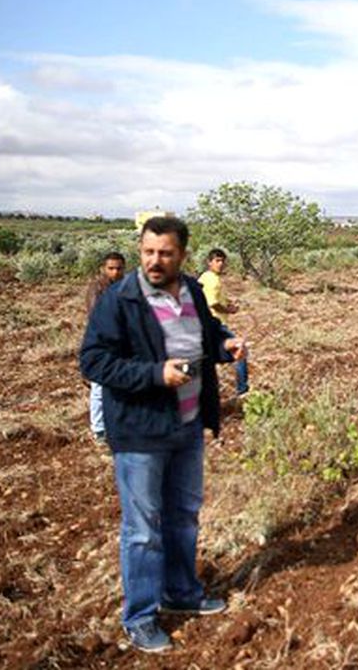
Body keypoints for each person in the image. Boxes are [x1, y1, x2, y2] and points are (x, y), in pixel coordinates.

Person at [79, 216, 245, 653]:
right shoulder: (120, 299)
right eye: (148, 252)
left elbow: (207, 335)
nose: (155, 261)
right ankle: (140, 616)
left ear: (182, 255)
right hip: (140, 432)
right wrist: (156, 374)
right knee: (142, 529)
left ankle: (181, 593)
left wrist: (225, 345)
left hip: (186, 425)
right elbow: (93, 361)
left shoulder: (191, 289)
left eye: (165, 253)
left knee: (183, 515)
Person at [84, 252, 126, 445]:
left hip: (122, 341)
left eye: (119, 268)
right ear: (103, 268)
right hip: (103, 341)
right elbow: (96, 316)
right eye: (111, 268)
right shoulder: (97, 288)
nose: (115, 272)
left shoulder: (126, 286)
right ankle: (99, 429)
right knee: (100, 387)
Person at [197, 248, 249, 396]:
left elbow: (213, 298)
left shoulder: (206, 277)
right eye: (217, 261)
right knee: (240, 351)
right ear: (209, 262)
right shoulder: (212, 280)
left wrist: (228, 303)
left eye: (222, 261)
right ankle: (242, 390)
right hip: (216, 324)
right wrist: (228, 310)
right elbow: (213, 303)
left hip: (205, 324)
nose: (220, 264)